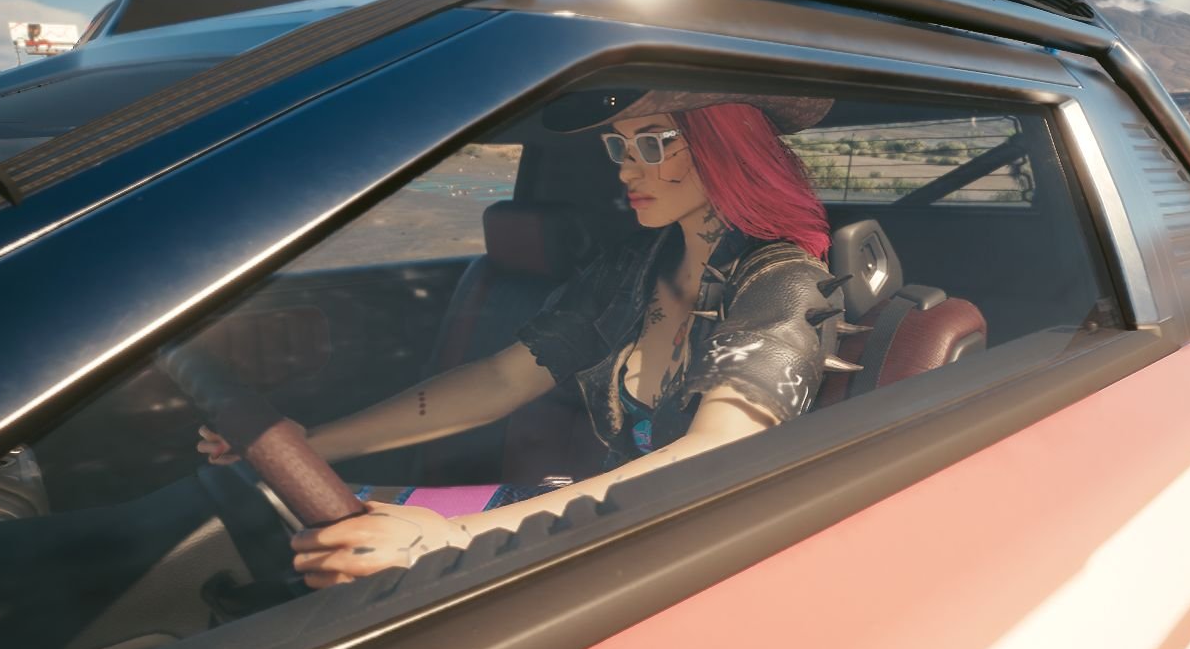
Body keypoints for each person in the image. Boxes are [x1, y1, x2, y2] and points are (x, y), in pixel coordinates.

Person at [198, 92, 852, 588]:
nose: (627, 170)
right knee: (309, 526)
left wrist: (452, 540)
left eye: (653, 144)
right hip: (600, 510)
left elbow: (716, 452)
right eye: (620, 146)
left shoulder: (786, 283)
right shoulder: (634, 268)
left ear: (725, 148)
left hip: (683, 545)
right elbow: (501, 379)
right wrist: (310, 445)